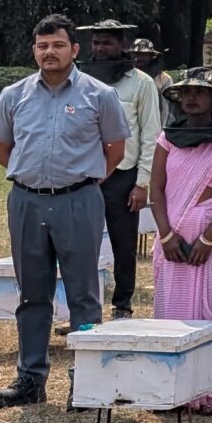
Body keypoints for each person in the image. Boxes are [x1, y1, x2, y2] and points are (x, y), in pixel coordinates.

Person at [0, 15, 129, 409]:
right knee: (32, 294)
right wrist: (35, 178)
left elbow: (115, 150)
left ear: (74, 50)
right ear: (34, 51)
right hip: (26, 200)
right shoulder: (13, 95)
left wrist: (79, 180)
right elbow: (2, 149)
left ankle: (87, 382)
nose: (50, 52)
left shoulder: (100, 95)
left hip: (78, 200)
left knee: (84, 294)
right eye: (43, 46)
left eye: (58, 45)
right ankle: (30, 380)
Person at [148, 68, 212, 414]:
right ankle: (170, 390)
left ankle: (206, 390)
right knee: (169, 311)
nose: (191, 98)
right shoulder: (167, 138)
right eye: (186, 92)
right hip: (171, 237)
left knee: (208, 310)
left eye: (200, 92)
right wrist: (165, 234)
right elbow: (156, 190)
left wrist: (209, 236)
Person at [77, 19, 161, 317]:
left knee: (123, 245)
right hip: (84, 175)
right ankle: (83, 306)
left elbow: (151, 134)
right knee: (80, 244)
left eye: (107, 42)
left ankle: (122, 305)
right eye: (96, 42)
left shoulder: (142, 82)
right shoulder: (79, 79)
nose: (100, 48)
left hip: (124, 175)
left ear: (122, 45)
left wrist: (142, 183)